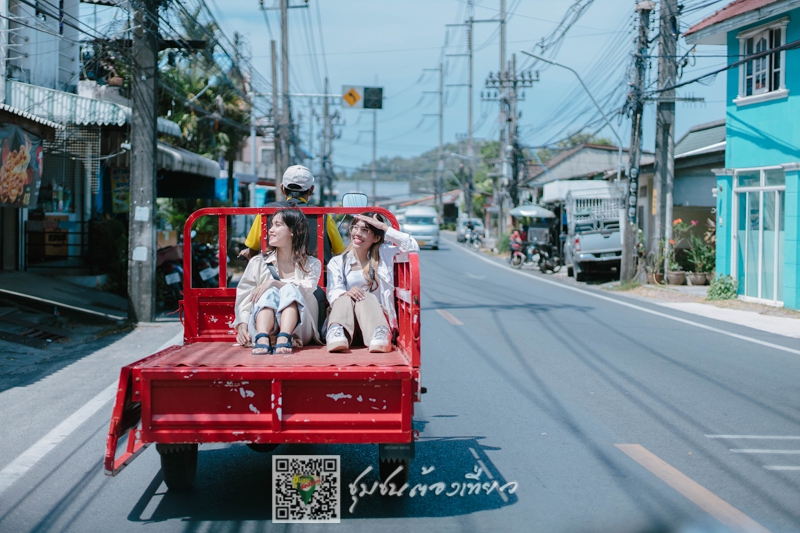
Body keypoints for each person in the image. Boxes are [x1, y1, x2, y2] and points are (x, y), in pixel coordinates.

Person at [325, 213, 419, 353]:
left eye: (365, 230)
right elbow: (333, 292)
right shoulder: (337, 262)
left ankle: (380, 330)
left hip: (375, 323)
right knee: (343, 297)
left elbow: (412, 248)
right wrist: (346, 293)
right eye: (355, 227)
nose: (358, 233)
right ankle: (336, 329)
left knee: (366, 297)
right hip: (348, 325)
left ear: (376, 238)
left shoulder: (384, 256)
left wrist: (383, 227)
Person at [233, 209, 321, 355]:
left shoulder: (312, 264)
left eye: (277, 225)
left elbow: (307, 290)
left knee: (289, 289)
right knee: (270, 292)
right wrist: (242, 325)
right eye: (271, 225)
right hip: (264, 329)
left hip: (299, 330)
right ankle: (262, 337)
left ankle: (284, 336)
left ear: (293, 231)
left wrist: (273, 283)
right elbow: (245, 296)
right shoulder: (258, 262)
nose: (271, 230)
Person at [238, 165, 345, 261]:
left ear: (282, 188)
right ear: (311, 190)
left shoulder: (265, 211)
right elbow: (339, 251)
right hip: (316, 281)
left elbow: (253, 249)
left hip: (273, 279)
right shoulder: (323, 216)